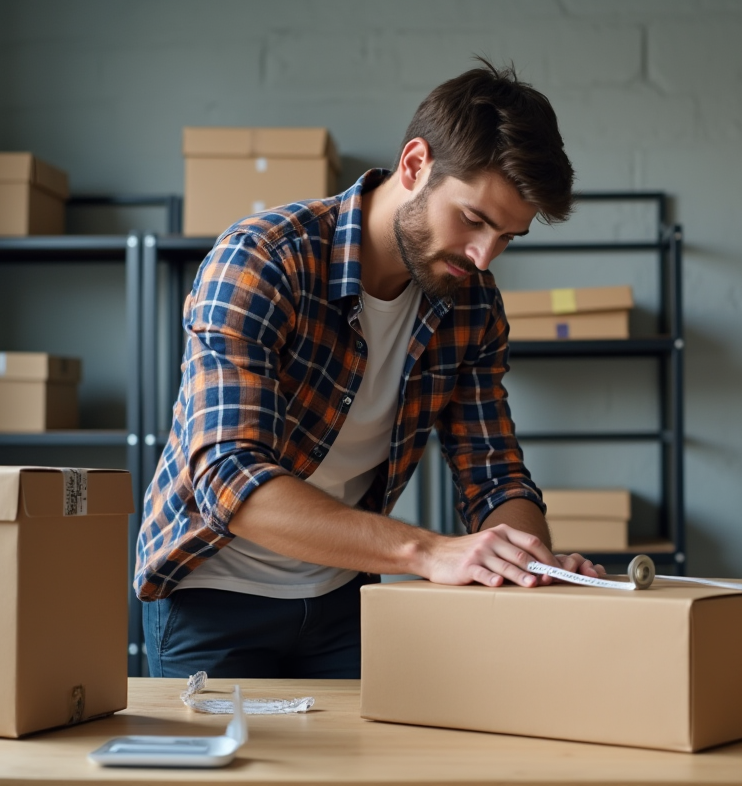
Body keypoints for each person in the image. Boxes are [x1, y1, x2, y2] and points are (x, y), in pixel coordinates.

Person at [134, 59, 606, 679]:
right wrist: (430, 552)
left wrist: (527, 560)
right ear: (415, 165)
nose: (483, 256)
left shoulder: (472, 300)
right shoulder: (263, 259)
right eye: (473, 220)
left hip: (343, 603)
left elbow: (494, 477)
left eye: (507, 238)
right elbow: (229, 480)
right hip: (211, 600)